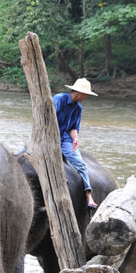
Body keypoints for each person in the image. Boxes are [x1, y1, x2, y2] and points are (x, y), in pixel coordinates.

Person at [53, 78, 98, 209]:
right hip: (51, 136)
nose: (86, 97)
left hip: (65, 138)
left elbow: (73, 127)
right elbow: (50, 118)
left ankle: (88, 195)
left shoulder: (78, 107)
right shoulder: (59, 99)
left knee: (81, 165)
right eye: (85, 94)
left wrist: (75, 139)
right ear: (78, 92)